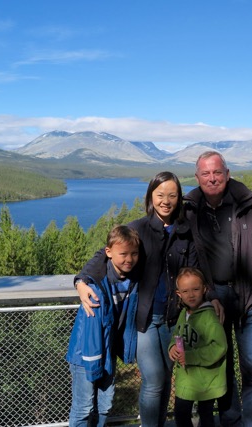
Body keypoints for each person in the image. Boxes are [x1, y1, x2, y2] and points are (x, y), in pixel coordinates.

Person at [74, 171, 223, 427]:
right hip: (144, 319)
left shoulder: (185, 232)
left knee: (165, 378)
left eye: (172, 195)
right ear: (151, 196)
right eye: (160, 195)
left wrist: (212, 296)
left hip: (173, 319)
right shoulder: (139, 228)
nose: (166, 201)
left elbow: (196, 271)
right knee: (153, 379)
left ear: (179, 198)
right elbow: (105, 254)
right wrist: (81, 281)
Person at [183, 151, 252, 427]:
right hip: (214, 300)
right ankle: (231, 419)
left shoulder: (248, 203)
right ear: (197, 177)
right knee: (221, 366)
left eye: (217, 172)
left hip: (250, 299)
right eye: (206, 173)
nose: (212, 178)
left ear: (227, 174)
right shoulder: (191, 208)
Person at [66, 225, 141, 427]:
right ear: (108, 253)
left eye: (134, 254)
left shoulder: (133, 280)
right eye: (123, 254)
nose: (129, 259)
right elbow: (91, 332)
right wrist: (94, 365)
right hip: (86, 355)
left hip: (108, 351)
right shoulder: (95, 287)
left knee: (105, 405)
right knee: (83, 408)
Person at [169, 267, 227, 427]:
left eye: (195, 289)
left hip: (206, 380)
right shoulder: (183, 314)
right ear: (179, 294)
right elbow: (176, 335)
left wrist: (191, 356)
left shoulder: (210, 316)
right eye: (185, 291)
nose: (191, 295)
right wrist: (172, 347)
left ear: (204, 289)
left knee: (206, 417)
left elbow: (219, 347)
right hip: (186, 379)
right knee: (181, 415)